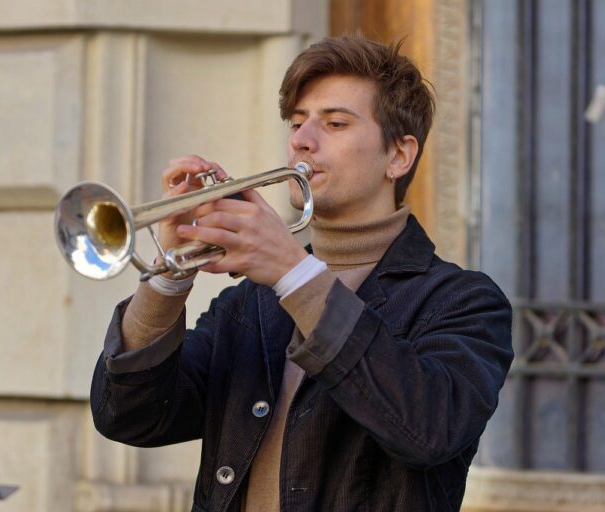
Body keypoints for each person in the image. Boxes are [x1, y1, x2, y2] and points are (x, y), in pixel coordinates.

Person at [90, 34, 513, 511]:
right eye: (297, 122)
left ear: (398, 156)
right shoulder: (249, 304)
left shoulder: (463, 301)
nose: (301, 140)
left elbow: (427, 430)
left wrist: (295, 273)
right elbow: (128, 417)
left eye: (334, 122)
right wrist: (168, 277)